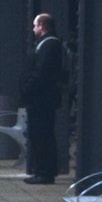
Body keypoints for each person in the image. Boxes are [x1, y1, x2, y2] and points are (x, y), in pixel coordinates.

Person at [19, 12, 65, 184]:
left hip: (41, 99)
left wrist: (28, 87)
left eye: (35, 25)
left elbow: (42, 72)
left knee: (42, 135)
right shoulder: (45, 44)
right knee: (38, 134)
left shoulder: (49, 45)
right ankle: (42, 170)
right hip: (39, 98)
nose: (33, 29)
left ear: (43, 27)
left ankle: (45, 172)